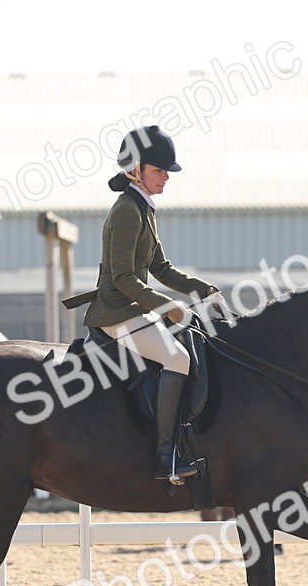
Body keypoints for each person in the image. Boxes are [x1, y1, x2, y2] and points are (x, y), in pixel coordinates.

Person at [82, 125, 222, 481]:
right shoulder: (127, 210)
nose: (165, 178)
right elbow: (124, 278)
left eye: (166, 172)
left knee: (194, 338)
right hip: (116, 311)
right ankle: (165, 456)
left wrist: (201, 289)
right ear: (135, 169)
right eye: (158, 171)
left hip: (134, 307)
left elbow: (160, 267)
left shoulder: (144, 207)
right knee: (177, 358)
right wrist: (166, 306)